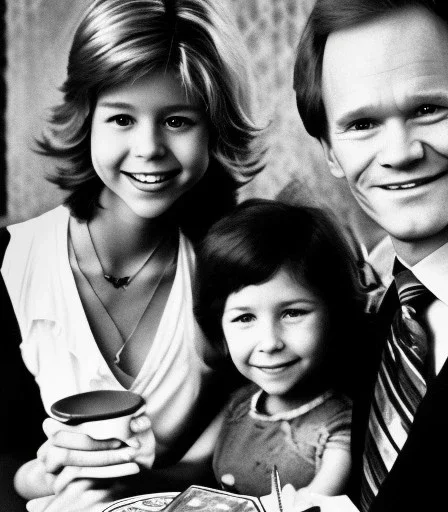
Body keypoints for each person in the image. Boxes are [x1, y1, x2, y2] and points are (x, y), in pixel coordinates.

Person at [0, 0, 264, 509]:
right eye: (122, 118)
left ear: (213, 127)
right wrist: (44, 477)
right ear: (86, 120)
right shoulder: (8, 267)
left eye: (177, 121)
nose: (149, 148)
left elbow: (250, 436)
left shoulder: (231, 266)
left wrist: (141, 482)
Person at [293, 0, 448, 511]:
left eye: (427, 109)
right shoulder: (374, 318)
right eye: (361, 124)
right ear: (330, 151)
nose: (400, 151)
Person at [194, 198, 365, 497]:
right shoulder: (239, 404)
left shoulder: (339, 427)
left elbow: (314, 504)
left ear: (335, 314)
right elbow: (189, 468)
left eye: (292, 313)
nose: (271, 342)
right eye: (245, 317)